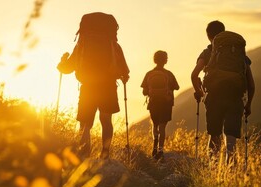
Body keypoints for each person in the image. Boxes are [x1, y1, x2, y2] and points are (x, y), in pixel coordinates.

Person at [57, 13, 129, 160]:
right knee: (106, 120)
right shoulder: (114, 45)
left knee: (85, 123)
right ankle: (105, 153)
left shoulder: (81, 44)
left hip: (88, 86)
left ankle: (84, 154)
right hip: (108, 86)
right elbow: (125, 73)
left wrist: (62, 62)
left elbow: (66, 69)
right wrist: (122, 76)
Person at [190, 20, 255, 162]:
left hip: (214, 97)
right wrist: (248, 103)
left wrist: (199, 92)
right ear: (224, 32)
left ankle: (213, 168)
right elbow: (251, 83)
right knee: (230, 135)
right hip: (235, 97)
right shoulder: (239, 54)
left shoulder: (208, 52)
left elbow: (194, 75)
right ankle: (230, 168)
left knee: (214, 134)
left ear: (208, 36)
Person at [141, 50, 179, 160]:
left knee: (155, 125)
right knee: (162, 126)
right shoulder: (169, 74)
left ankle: (154, 147)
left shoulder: (149, 74)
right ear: (165, 60)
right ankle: (161, 150)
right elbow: (177, 87)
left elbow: (144, 92)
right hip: (166, 103)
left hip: (153, 103)